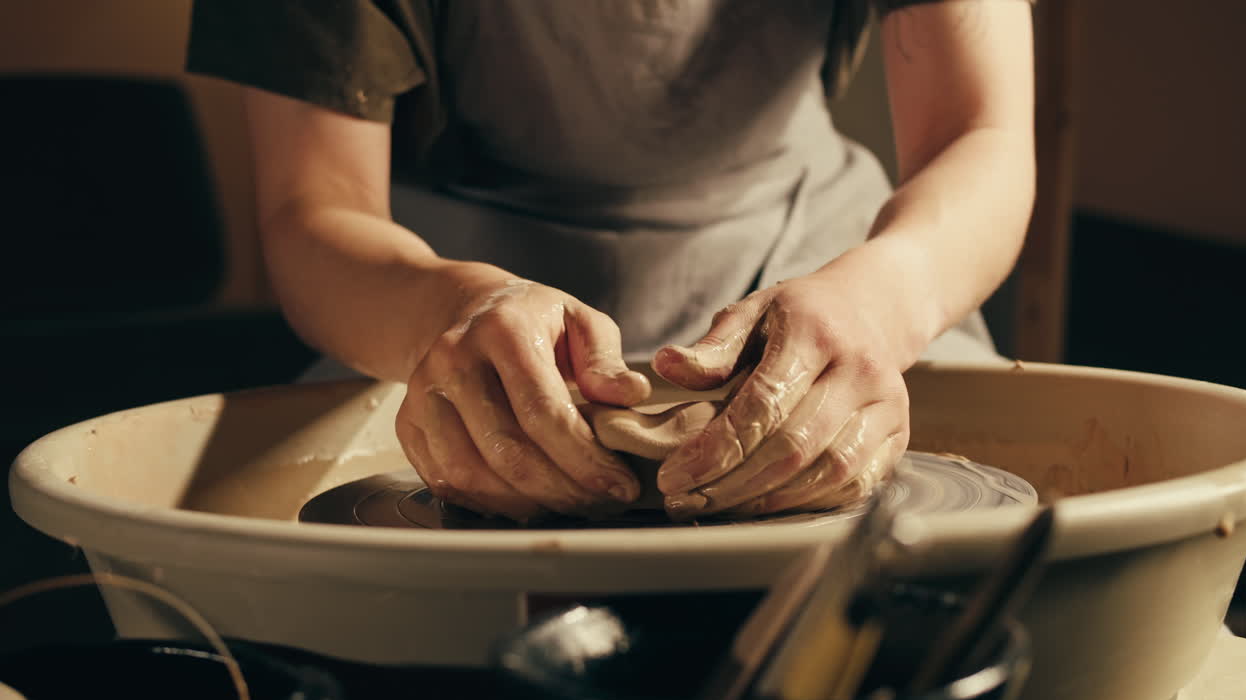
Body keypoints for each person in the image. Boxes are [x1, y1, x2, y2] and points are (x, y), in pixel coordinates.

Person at [186, 0, 1035, 522]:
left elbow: (981, 133)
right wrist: (448, 315)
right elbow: (314, 210)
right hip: (439, 289)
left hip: (826, 262)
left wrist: (883, 304)